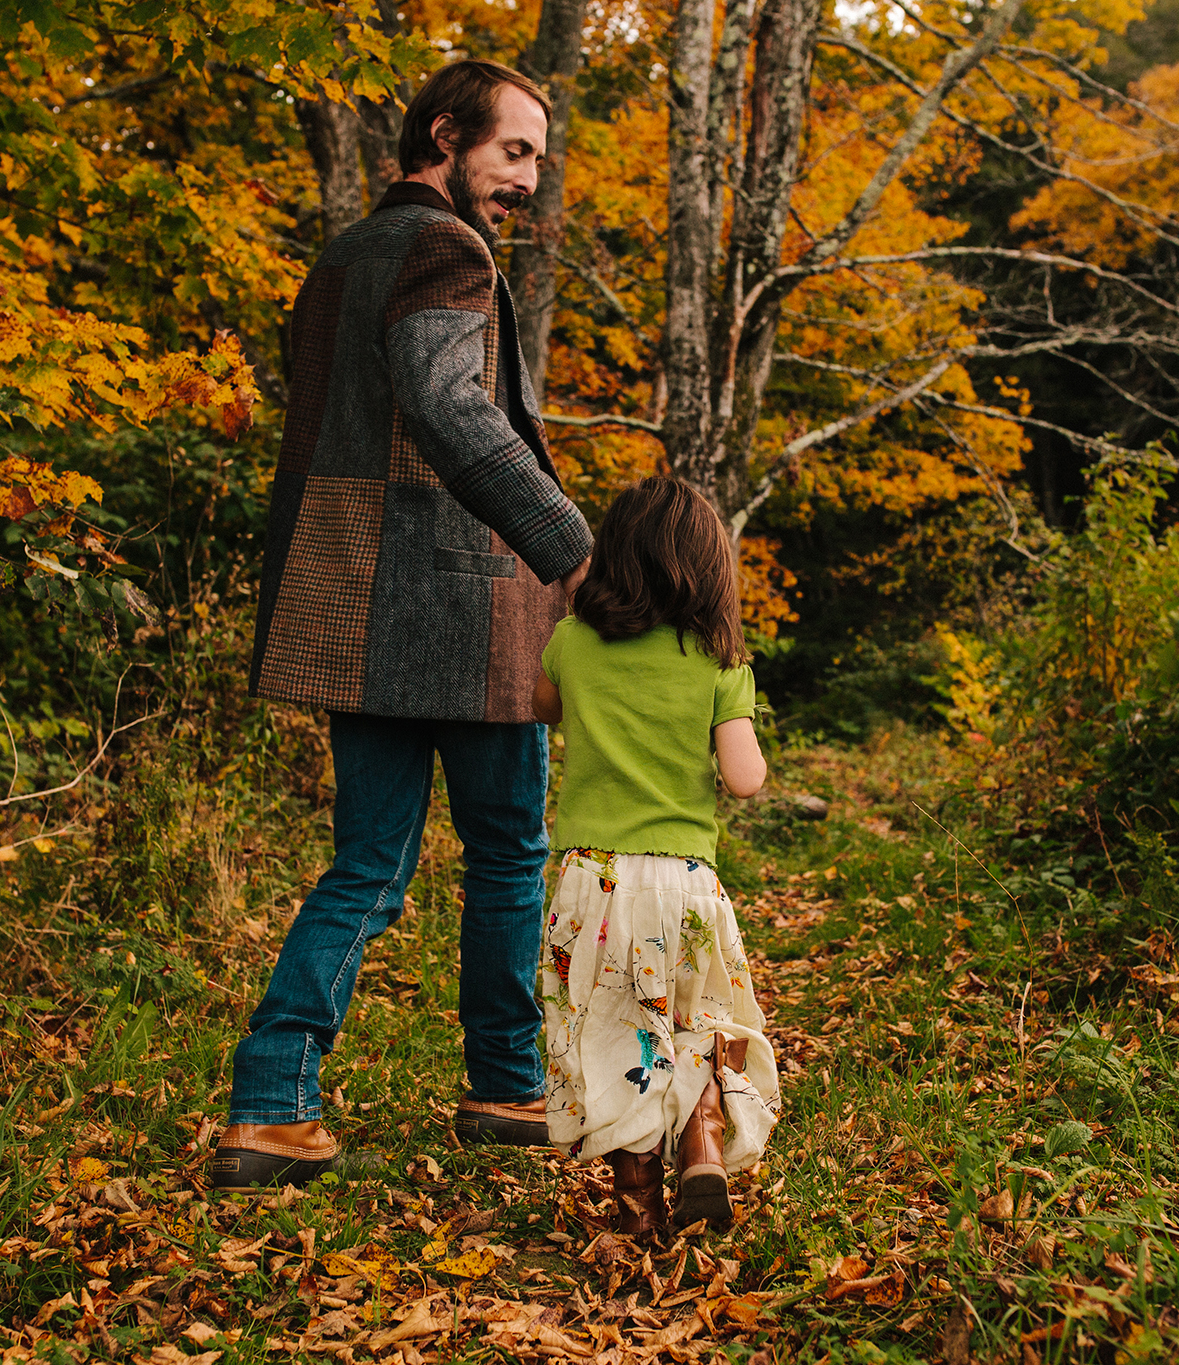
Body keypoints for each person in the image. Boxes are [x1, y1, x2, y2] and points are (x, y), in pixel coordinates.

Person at [212, 59, 595, 1192]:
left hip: (353, 603)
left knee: (368, 865)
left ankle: (270, 1104)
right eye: (513, 152)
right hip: (459, 605)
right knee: (507, 854)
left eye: (535, 156)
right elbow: (446, 406)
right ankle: (502, 1083)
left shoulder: (341, 256)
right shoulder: (446, 249)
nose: (528, 179)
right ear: (442, 134)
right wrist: (574, 547)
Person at [531, 477, 781, 1238]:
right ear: (708, 570)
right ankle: (703, 1127)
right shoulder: (715, 658)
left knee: (610, 1031)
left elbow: (543, 706)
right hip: (685, 883)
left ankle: (636, 1200)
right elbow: (745, 777)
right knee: (701, 1013)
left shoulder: (573, 642)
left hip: (592, 883)